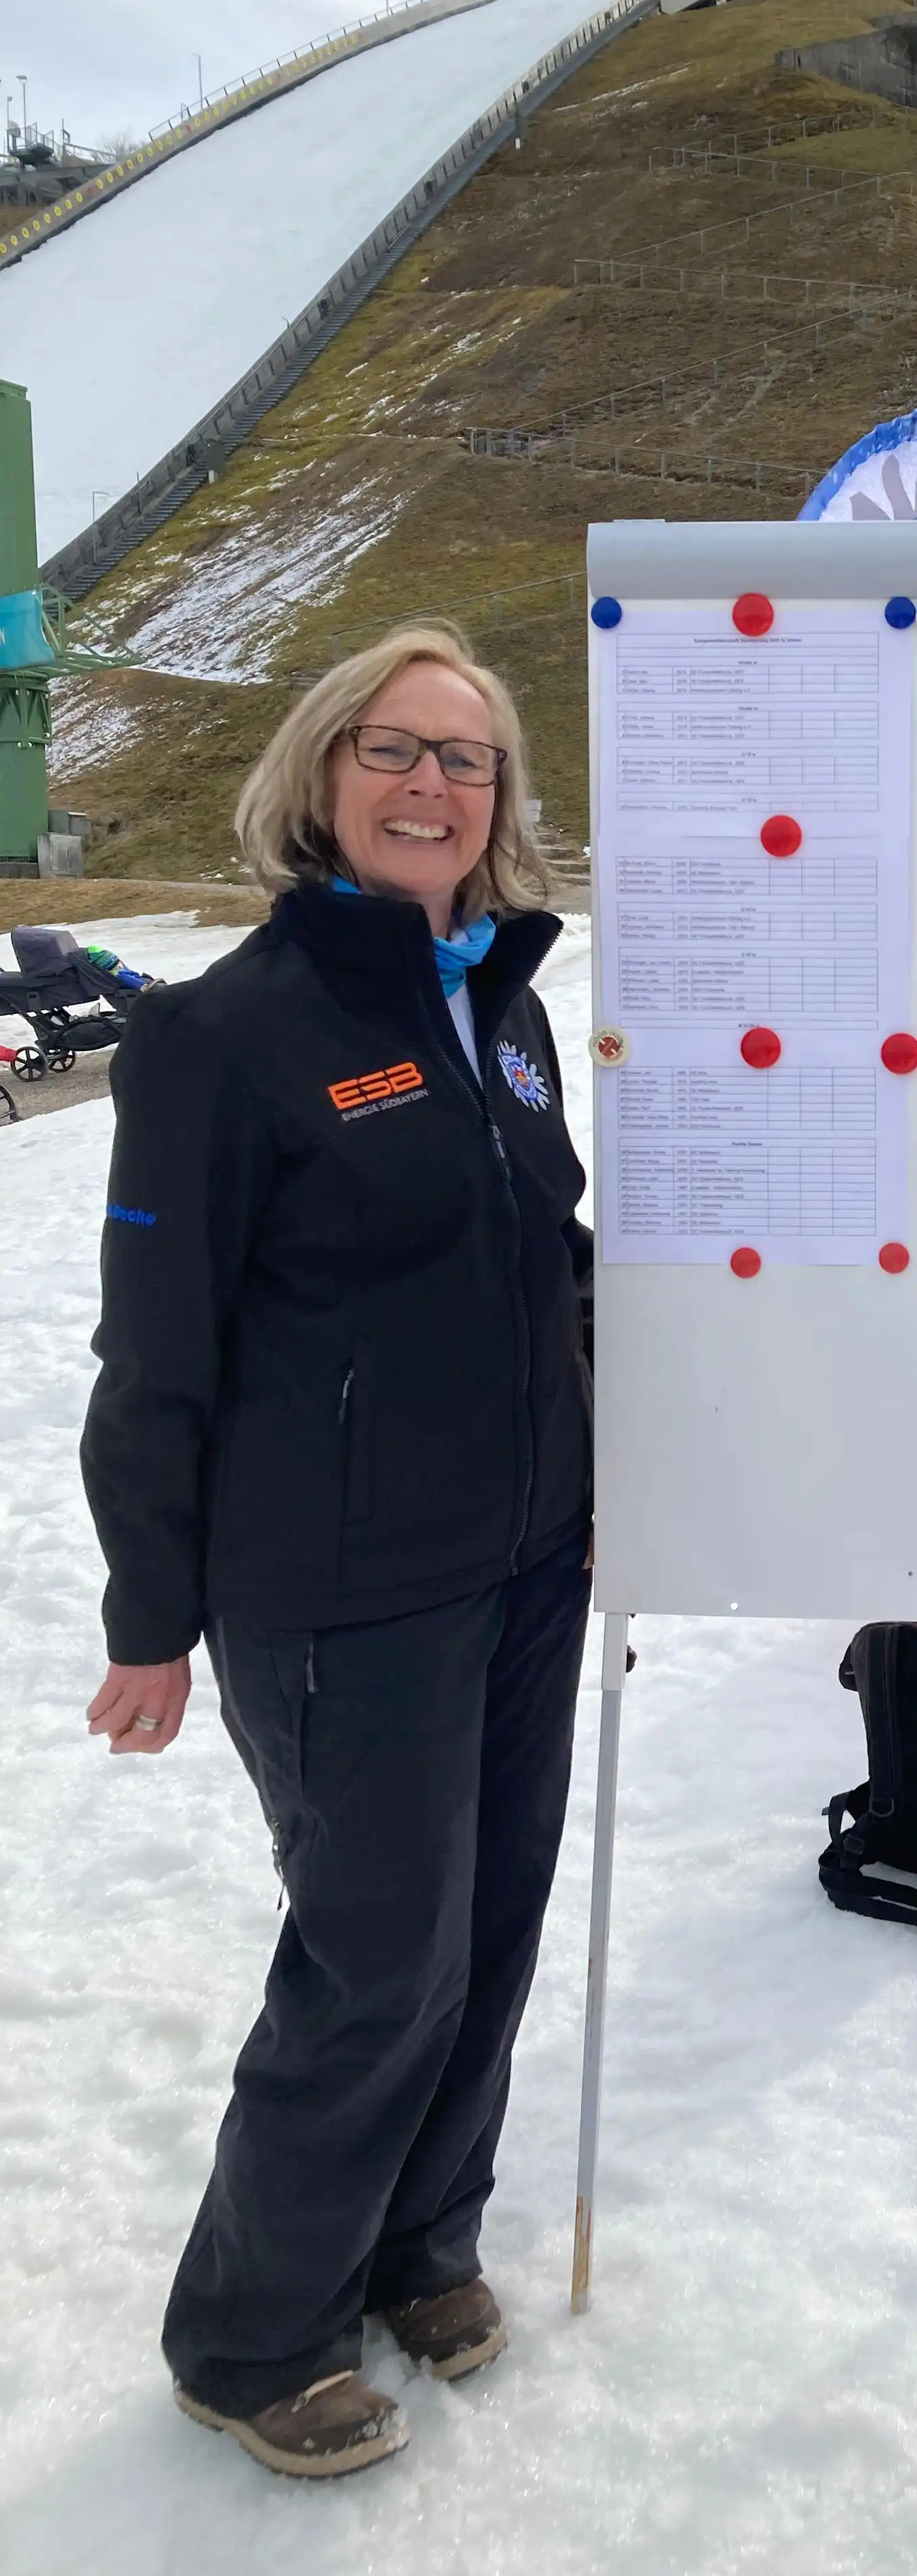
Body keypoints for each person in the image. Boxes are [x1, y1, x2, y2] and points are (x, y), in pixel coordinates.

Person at [80, 623, 595, 2480]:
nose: (430, 787)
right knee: (378, 1956)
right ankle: (251, 2331)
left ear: (499, 808)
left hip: (530, 1558)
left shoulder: (504, 1008)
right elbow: (155, 1354)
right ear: (322, 775)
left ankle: (419, 2234)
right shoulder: (223, 1036)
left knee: (492, 1927)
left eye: (466, 762)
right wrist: (150, 1618)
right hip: (337, 1592)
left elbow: (543, 1252)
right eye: (396, 750)